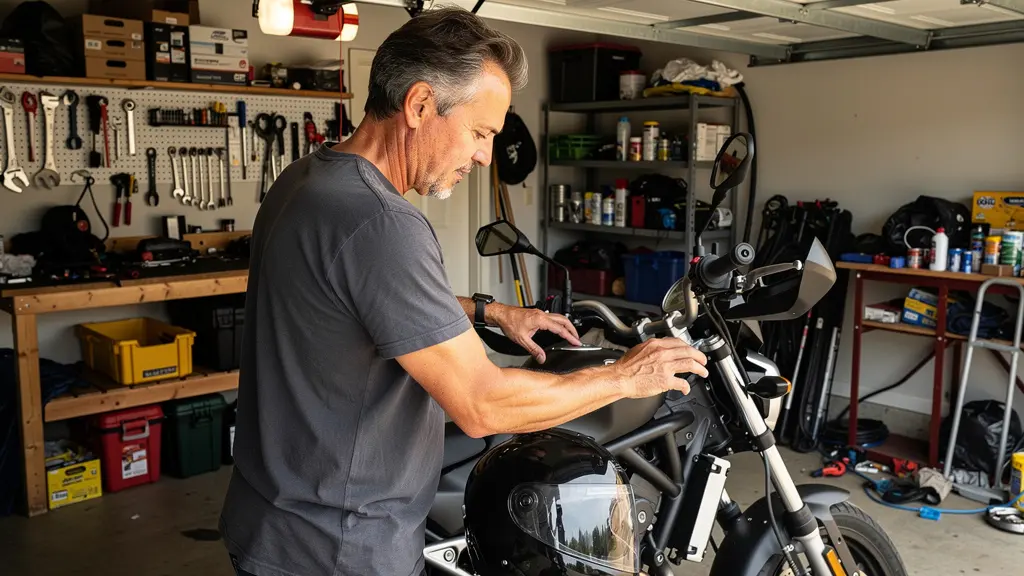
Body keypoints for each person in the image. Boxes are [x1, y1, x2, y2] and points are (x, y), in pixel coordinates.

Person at [219, 6, 708, 576]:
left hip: (272, 520)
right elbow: (482, 404)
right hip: (340, 547)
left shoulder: (305, 182)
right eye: (480, 133)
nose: (484, 156)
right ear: (420, 104)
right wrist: (624, 377)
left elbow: (345, 304)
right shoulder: (384, 224)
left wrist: (488, 310)